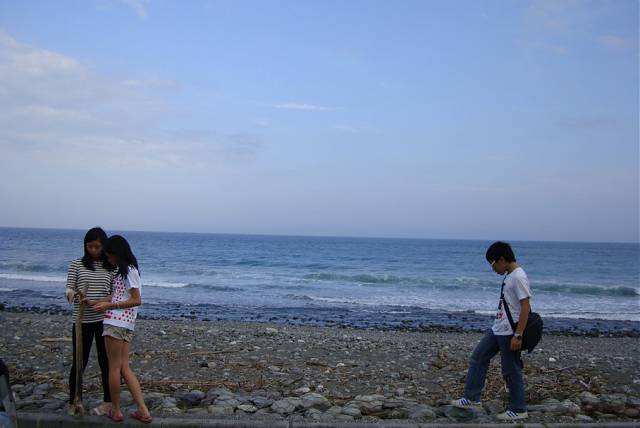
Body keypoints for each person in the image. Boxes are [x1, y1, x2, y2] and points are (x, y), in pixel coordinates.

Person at [451, 241, 532, 421]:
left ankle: (518, 409)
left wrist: (518, 335)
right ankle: (472, 398)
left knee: (511, 369)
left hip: (510, 331)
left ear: (502, 259)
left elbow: (525, 307)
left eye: (492, 263)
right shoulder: (510, 275)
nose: (493, 268)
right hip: (498, 328)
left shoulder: (518, 277)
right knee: (478, 357)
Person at [89, 235, 152, 423]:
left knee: (114, 367)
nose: (108, 259)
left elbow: (136, 300)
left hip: (115, 323)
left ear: (117, 253)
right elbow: (117, 296)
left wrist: (109, 307)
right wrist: (96, 302)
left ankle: (116, 410)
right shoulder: (127, 270)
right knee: (124, 367)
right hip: (126, 324)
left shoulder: (128, 271)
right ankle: (143, 411)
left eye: (110, 255)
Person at [65, 227, 113, 416]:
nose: (93, 250)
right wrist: (73, 295)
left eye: (97, 247)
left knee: (105, 361)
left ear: (104, 246)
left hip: (104, 320)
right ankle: (74, 400)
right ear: (85, 246)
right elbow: (69, 288)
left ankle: (108, 400)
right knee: (79, 361)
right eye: (90, 246)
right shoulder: (76, 265)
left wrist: (100, 302)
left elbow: (114, 295)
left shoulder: (110, 266)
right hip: (81, 321)